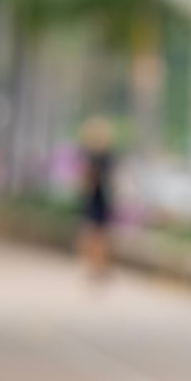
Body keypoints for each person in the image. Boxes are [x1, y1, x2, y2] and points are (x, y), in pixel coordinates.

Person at [77, 117, 117, 280]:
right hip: (100, 199)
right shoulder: (102, 156)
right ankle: (96, 265)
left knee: (95, 235)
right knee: (97, 235)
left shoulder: (96, 157)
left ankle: (96, 265)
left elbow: (88, 180)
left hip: (97, 199)